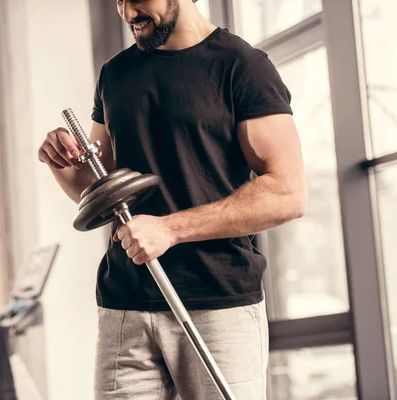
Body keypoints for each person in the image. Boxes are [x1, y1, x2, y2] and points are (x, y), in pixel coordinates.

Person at [38, 0, 307, 399]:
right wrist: (60, 162)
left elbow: (287, 193)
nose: (128, 13)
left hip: (216, 301)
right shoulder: (115, 75)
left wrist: (170, 228)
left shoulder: (242, 66)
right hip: (125, 302)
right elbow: (96, 188)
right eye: (119, 1)